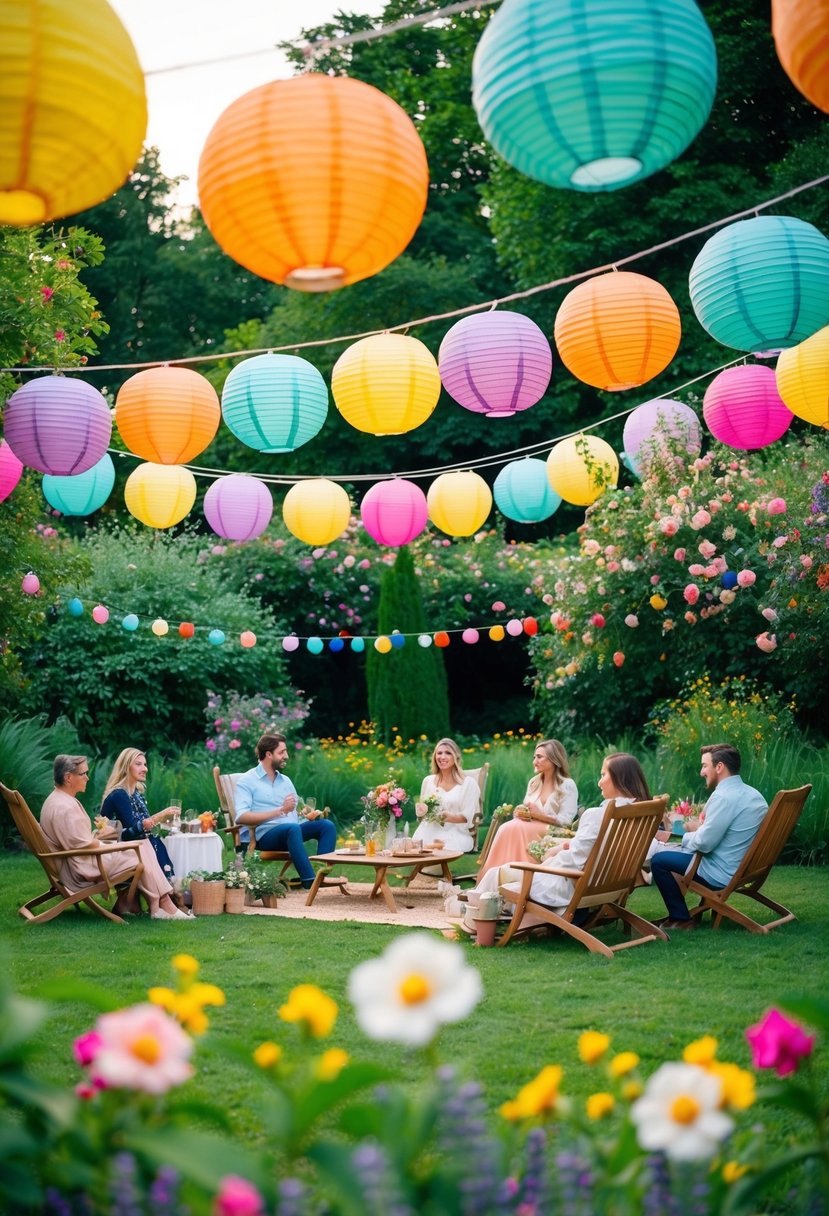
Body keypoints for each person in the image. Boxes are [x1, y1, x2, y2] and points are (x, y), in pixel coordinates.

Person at [473, 752, 651, 912]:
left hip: (568, 886)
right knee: (507, 874)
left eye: (603, 774)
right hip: (607, 886)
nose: (599, 782)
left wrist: (548, 860)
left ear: (619, 779)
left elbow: (573, 860)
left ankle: (475, 916)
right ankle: (492, 909)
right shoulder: (641, 813)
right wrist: (562, 848)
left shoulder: (597, 815)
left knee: (496, 874)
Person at [39, 755, 192, 920]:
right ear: (68, 777)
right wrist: (105, 844)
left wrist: (101, 837)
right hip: (83, 868)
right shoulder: (65, 807)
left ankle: (159, 905)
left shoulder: (58, 800)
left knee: (141, 845)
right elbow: (84, 845)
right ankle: (162, 905)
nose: (87, 778)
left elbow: (76, 841)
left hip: (76, 860)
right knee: (140, 848)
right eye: (83, 774)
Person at [651, 743, 768, 931]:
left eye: (705, 766)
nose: (701, 772)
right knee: (673, 853)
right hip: (744, 868)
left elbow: (705, 843)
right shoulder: (753, 794)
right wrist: (700, 829)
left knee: (659, 860)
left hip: (721, 873)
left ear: (719, 767)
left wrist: (687, 836)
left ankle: (681, 918)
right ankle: (688, 914)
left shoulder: (724, 797)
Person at [234, 733, 336, 889]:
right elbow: (241, 817)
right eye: (281, 752)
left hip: (291, 830)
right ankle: (310, 881)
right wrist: (280, 811)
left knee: (326, 825)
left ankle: (320, 873)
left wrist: (306, 815)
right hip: (265, 835)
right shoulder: (247, 781)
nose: (286, 756)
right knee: (292, 829)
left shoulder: (285, 781)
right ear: (268, 754)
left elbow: (295, 811)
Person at [477, 739, 578, 879]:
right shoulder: (534, 782)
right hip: (527, 825)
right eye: (534, 757)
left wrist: (539, 815)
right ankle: (496, 878)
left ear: (554, 759)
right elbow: (528, 809)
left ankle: (519, 877)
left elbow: (566, 821)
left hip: (551, 831)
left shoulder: (567, 785)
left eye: (539, 757)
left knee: (513, 829)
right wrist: (520, 811)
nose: (534, 761)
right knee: (506, 828)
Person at [100, 748, 177, 883]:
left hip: (136, 847)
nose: (145, 769)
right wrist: (159, 816)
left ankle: (172, 891)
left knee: (157, 841)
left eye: (145, 764)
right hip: (117, 852)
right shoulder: (119, 794)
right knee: (154, 842)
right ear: (126, 767)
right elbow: (131, 833)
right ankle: (170, 892)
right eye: (138, 764)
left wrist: (164, 821)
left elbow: (143, 827)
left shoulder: (136, 793)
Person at [412, 738, 479, 853]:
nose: (442, 757)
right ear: (434, 757)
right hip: (428, 830)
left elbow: (467, 818)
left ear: (456, 757)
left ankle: (432, 865)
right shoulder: (428, 781)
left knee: (439, 850)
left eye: (448, 753)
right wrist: (421, 813)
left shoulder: (468, 783)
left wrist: (449, 817)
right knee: (416, 849)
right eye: (439, 753)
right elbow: (422, 815)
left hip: (456, 833)